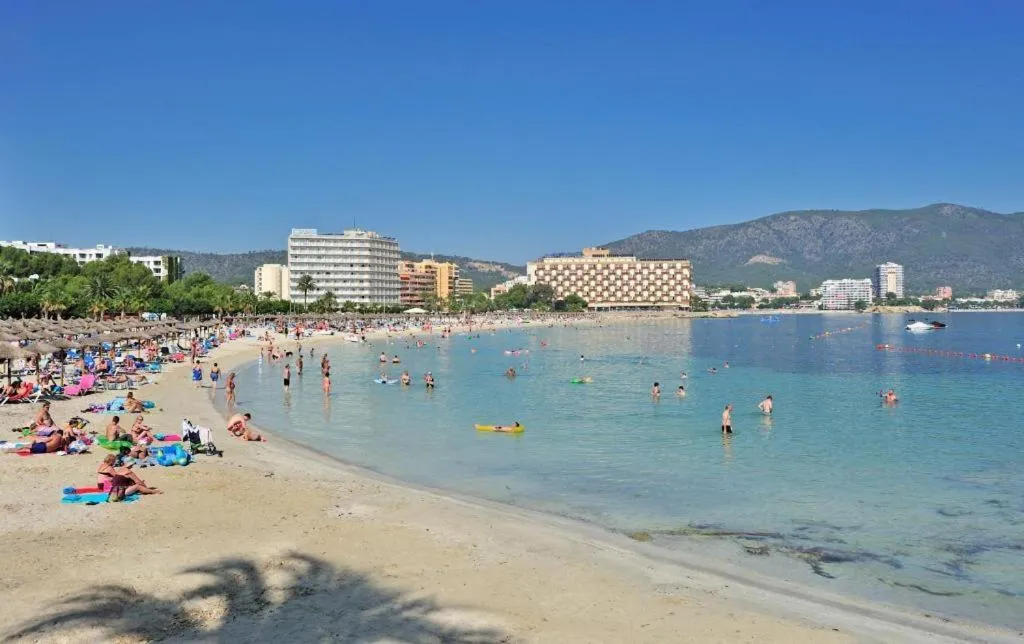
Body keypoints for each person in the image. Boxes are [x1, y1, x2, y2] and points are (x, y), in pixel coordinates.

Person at [97, 453, 161, 497]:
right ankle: (148, 489)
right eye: (114, 461)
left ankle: (144, 488)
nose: (114, 463)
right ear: (111, 461)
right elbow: (116, 477)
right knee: (134, 483)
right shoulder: (109, 468)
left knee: (127, 481)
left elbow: (111, 477)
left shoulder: (102, 466)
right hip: (107, 487)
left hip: (100, 485)